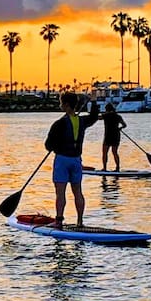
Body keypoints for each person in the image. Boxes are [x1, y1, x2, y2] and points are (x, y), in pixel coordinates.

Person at [44, 90, 100, 228]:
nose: (60, 105)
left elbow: (48, 145)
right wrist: (93, 101)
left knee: (60, 192)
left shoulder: (59, 123)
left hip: (62, 160)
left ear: (67, 105)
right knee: (78, 192)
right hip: (76, 161)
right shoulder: (82, 121)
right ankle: (80, 221)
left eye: (61, 103)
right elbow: (94, 117)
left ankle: (58, 221)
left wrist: (56, 147)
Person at [100, 101, 127, 171]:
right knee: (115, 152)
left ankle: (104, 168)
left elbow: (97, 118)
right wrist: (120, 128)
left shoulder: (105, 116)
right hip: (116, 136)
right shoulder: (118, 116)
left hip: (108, 136)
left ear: (107, 110)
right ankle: (117, 168)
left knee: (105, 152)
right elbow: (124, 125)